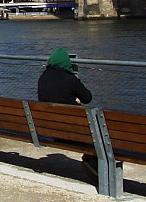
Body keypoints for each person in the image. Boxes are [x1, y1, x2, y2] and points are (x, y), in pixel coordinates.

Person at [36, 48, 99, 182]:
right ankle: (92, 161)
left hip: (51, 129)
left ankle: (91, 160)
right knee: (97, 132)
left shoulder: (43, 77)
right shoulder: (70, 79)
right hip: (72, 131)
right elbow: (88, 98)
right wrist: (75, 98)